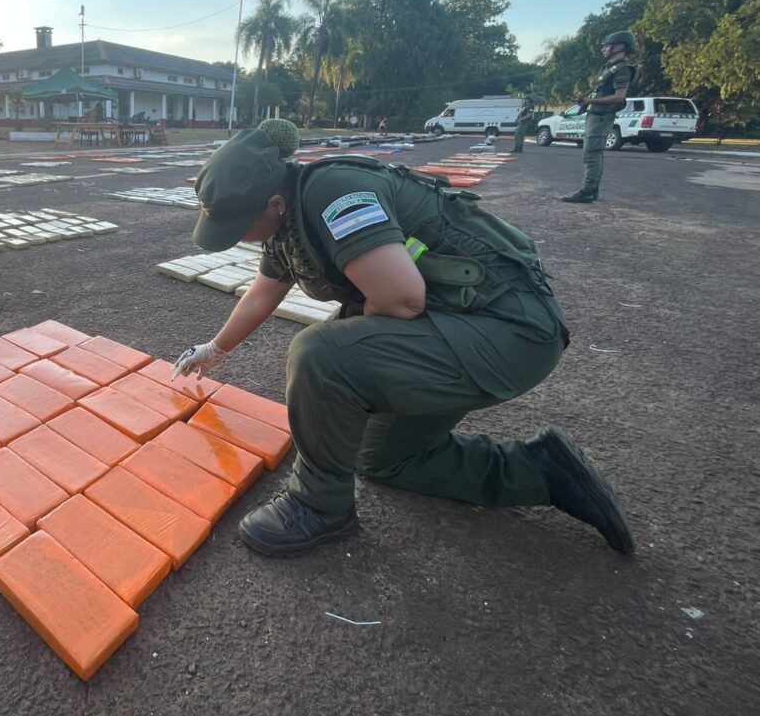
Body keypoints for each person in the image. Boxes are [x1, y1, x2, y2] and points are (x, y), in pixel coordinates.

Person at [173, 119, 634, 558]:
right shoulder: (284, 217)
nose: (239, 240)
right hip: (452, 324)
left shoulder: (334, 193)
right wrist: (215, 350)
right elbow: (261, 294)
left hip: (508, 330)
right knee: (385, 460)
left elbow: (402, 300)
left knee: (322, 354)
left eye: (238, 228)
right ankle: (543, 470)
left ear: (272, 202)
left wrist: (355, 366)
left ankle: (318, 506)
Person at [562, 32, 637, 203]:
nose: (603, 49)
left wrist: (590, 100)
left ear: (619, 46)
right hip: (595, 114)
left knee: (592, 153)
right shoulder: (609, 68)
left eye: (606, 45)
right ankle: (590, 190)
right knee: (590, 152)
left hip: (602, 116)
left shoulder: (622, 69)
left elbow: (619, 96)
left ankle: (588, 190)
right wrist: (587, 101)